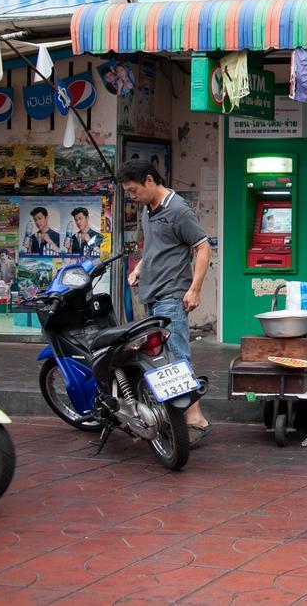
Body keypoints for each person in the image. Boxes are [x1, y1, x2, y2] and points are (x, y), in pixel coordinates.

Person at [117, 158, 211, 446]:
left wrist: (194, 289)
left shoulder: (178, 210)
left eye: (133, 190)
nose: (131, 196)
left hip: (171, 295)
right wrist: (138, 268)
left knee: (176, 357)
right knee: (161, 361)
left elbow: (203, 247)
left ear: (149, 180)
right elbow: (157, 248)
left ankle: (195, 418)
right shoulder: (149, 210)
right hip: (152, 295)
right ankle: (180, 416)